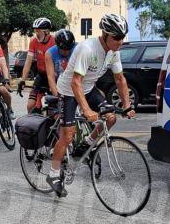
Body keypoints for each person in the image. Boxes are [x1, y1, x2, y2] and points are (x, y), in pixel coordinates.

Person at [47, 14, 136, 197]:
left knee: (111, 118)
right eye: (117, 38)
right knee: (68, 135)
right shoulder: (87, 49)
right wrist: (86, 110)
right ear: (105, 35)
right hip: (69, 91)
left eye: (123, 37)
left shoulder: (114, 52)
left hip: (88, 88)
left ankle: (85, 145)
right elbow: (75, 82)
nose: (120, 42)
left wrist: (127, 105)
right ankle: (53, 174)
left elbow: (119, 79)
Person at [18, 18, 55, 113]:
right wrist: (23, 80)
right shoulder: (34, 42)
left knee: (53, 110)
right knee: (30, 106)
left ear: (47, 31)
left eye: (38, 31)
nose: (36, 34)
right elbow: (28, 61)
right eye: (35, 31)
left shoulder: (55, 42)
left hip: (54, 77)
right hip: (41, 76)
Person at [44, 28, 77, 95]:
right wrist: (57, 96)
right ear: (57, 46)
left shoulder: (78, 48)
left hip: (76, 84)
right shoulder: (49, 53)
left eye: (69, 49)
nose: (66, 52)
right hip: (59, 86)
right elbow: (51, 77)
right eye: (63, 49)